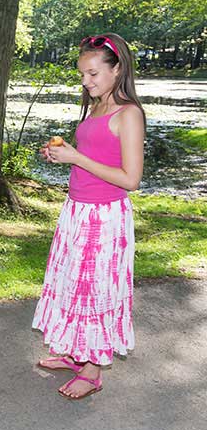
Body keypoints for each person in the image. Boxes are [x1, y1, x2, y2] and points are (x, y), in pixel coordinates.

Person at [32, 33, 146, 399]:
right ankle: (75, 351)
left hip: (106, 218)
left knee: (97, 290)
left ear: (117, 70)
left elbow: (131, 179)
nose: (86, 82)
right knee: (73, 284)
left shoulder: (129, 114)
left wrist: (77, 158)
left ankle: (93, 369)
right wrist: (61, 154)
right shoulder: (96, 107)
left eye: (93, 74)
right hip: (78, 210)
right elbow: (95, 155)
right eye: (82, 74)